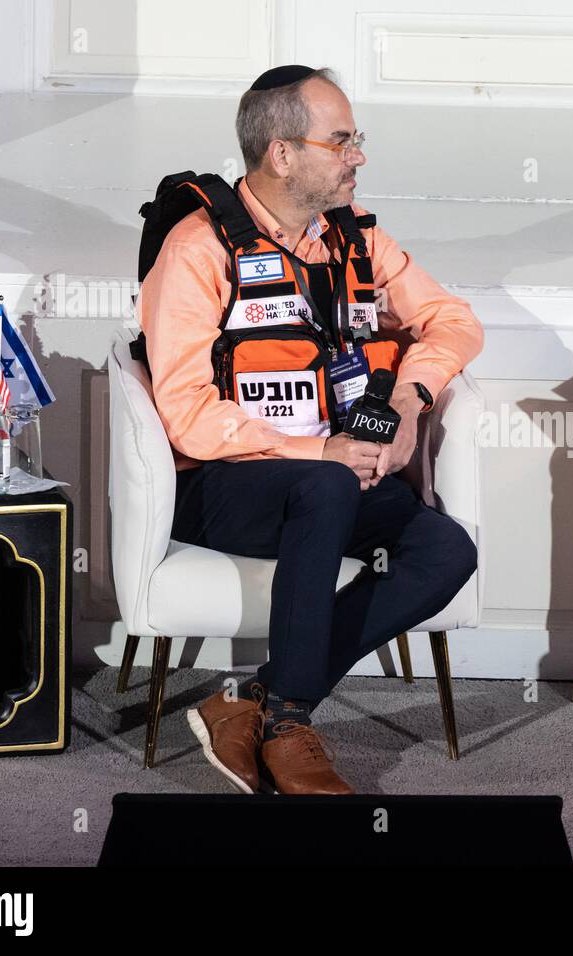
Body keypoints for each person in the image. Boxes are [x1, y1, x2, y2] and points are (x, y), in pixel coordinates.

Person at [137, 65, 483, 795]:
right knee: (325, 483)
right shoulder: (198, 251)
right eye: (342, 140)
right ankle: (291, 725)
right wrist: (318, 451)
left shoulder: (355, 243)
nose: (358, 155)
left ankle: (255, 702)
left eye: (358, 140)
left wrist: (414, 401)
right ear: (282, 154)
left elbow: (453, 322)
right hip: (225, 486)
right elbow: (186, 414)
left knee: (445, 549)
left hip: (336, 478)